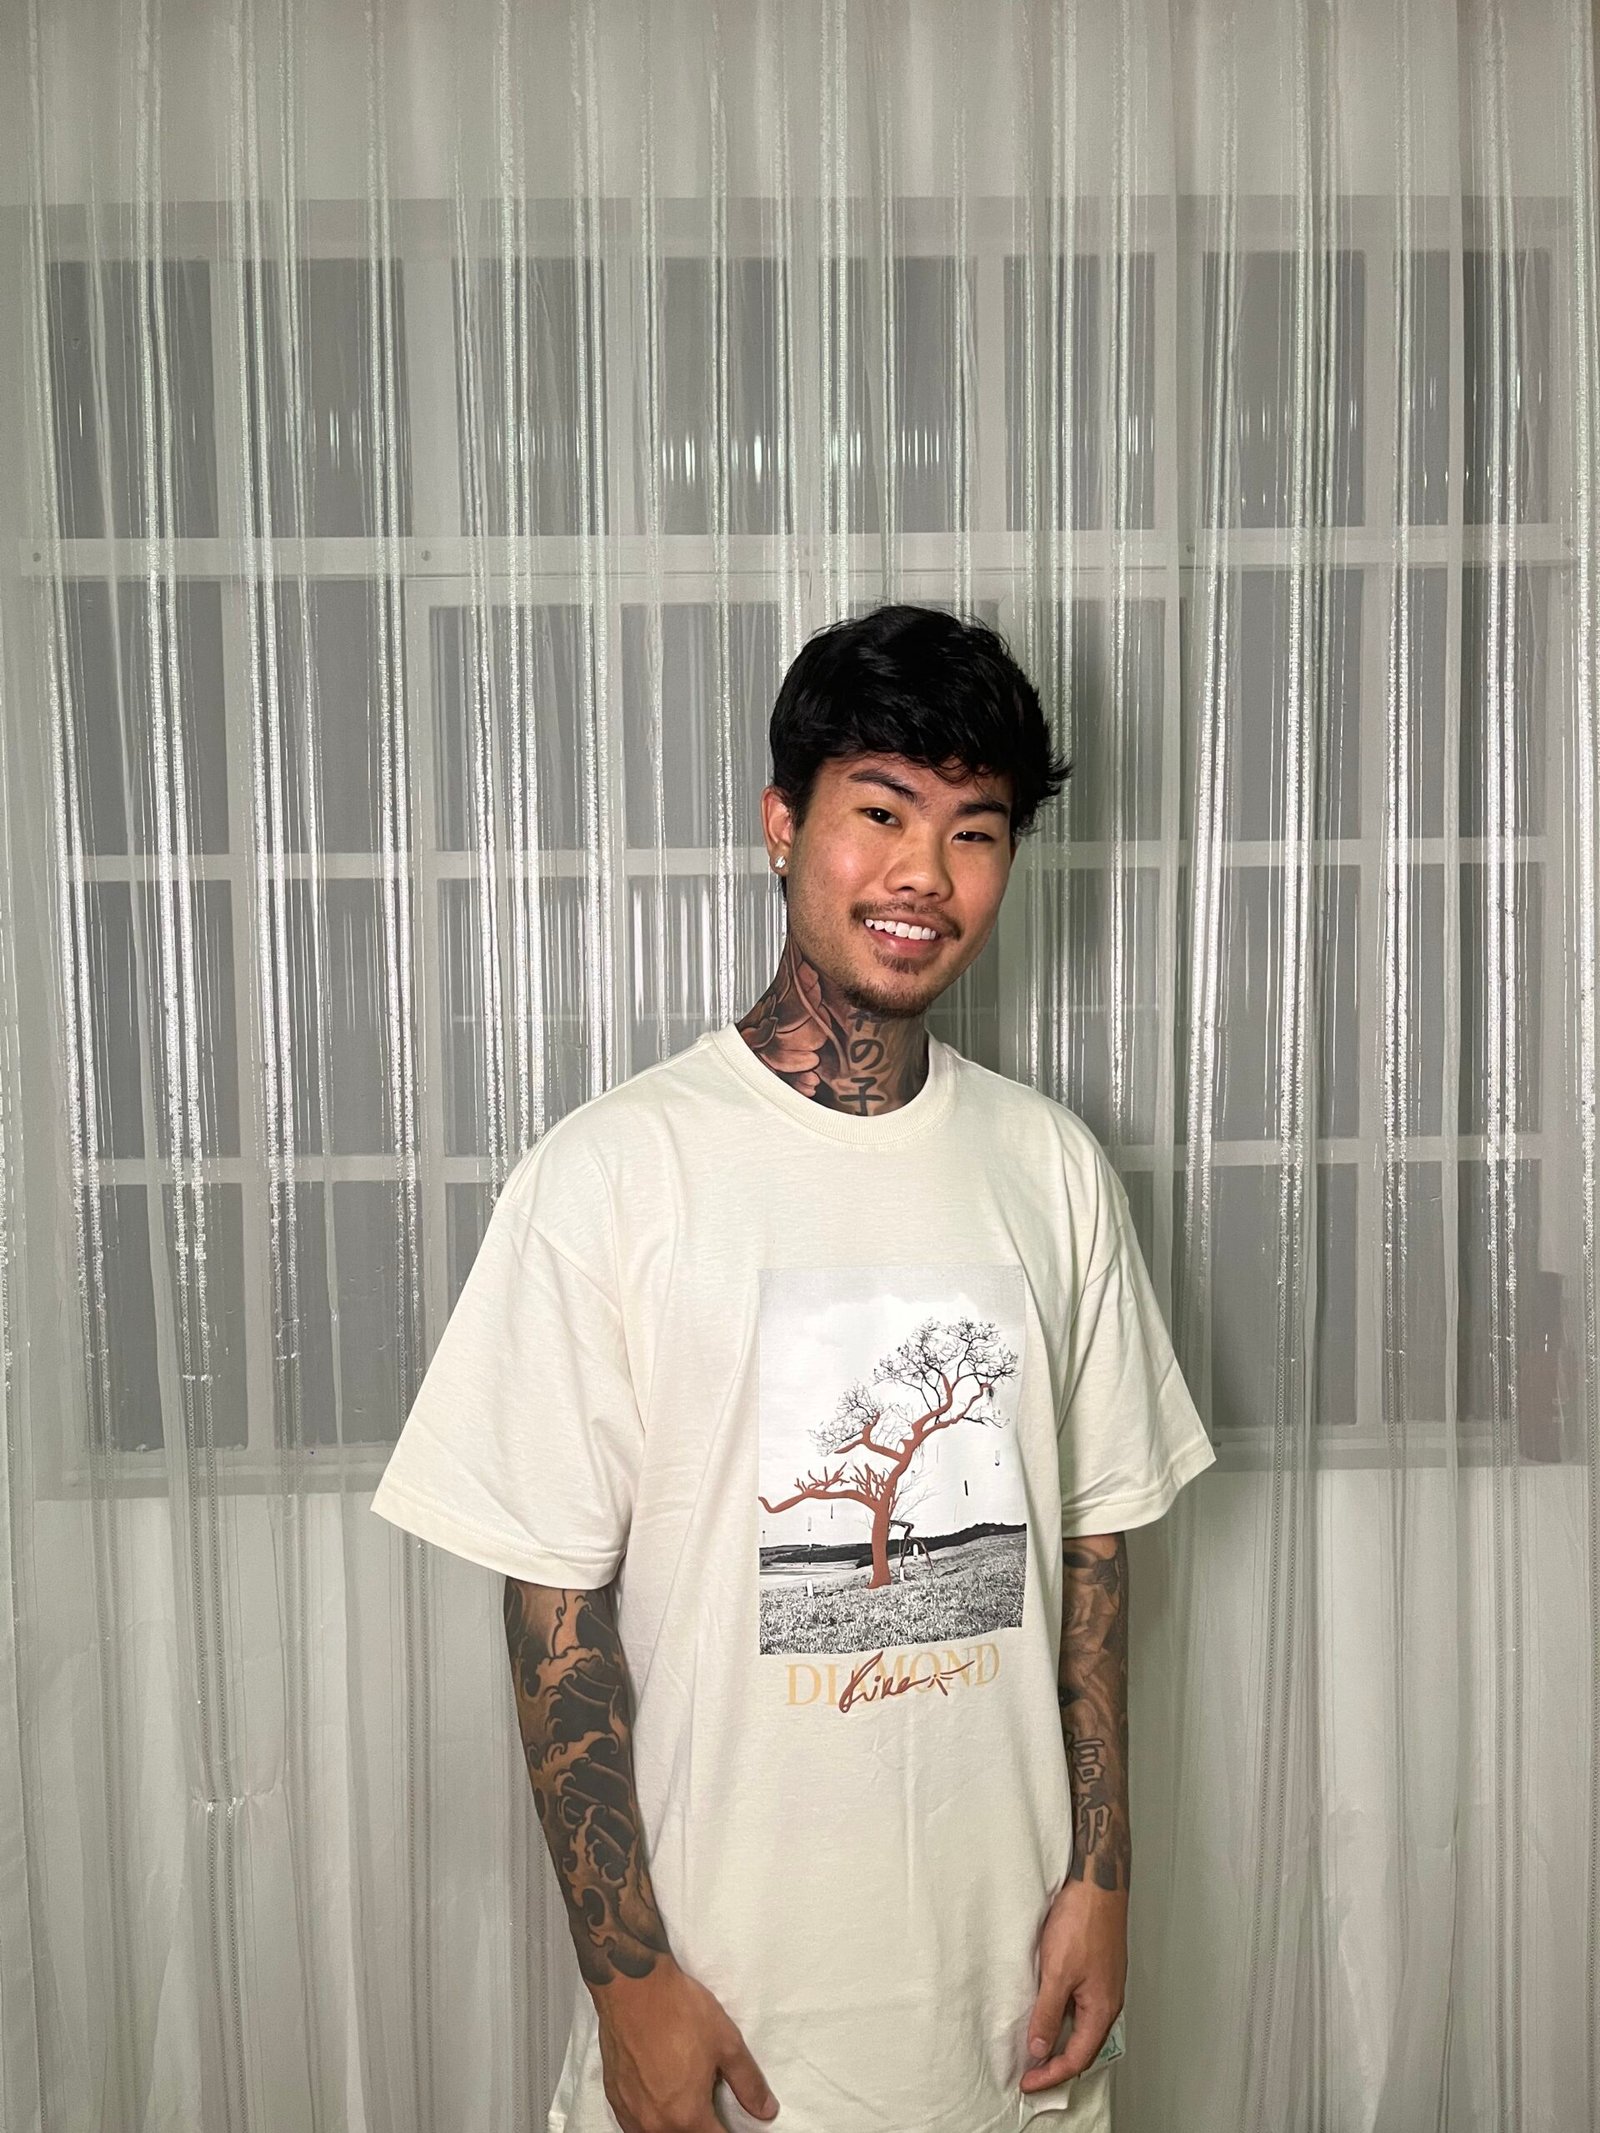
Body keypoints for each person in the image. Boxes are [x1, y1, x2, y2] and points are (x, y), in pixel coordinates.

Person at [370, 604, 1216, 2133]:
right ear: (782, 824)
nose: (925, 872)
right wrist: (629, 1983)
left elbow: (1095, 1552)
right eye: (880, 812)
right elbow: (554, 1617)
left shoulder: (1054, 1169)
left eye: (974, 831)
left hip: (1006, 2038)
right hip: (730, 2040)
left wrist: (1104, 1876)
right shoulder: (613, 1174)